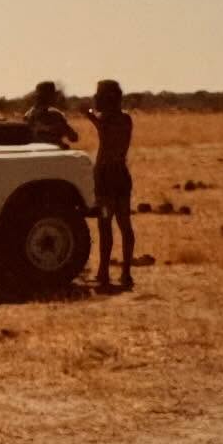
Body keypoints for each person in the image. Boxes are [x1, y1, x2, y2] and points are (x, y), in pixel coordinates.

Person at [85, 79, 135, 290]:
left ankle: (104, 271)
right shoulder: (126, 119)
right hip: (121, 176)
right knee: (125, 224)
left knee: (105, 225)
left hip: (106, 179)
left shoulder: (104, 120)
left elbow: (97, 119)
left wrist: (87, 112)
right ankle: (126, 273)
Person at [25, 81, 79, 148]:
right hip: (54, 152)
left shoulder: (27, 115)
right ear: (50, 97)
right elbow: (73, 138)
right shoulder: (55, 115)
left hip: (34, 151)